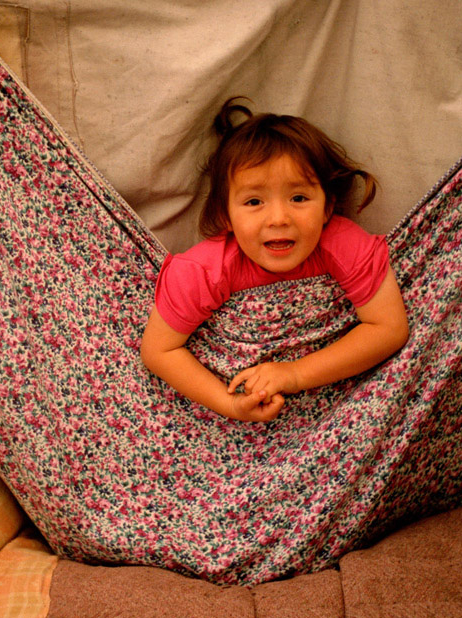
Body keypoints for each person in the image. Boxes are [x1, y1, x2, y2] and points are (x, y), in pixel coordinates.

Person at [141, 98, 409, 422]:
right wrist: (229, 406)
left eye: (298, 198)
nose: (279, 218)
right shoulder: (203, 271)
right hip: (231, 417)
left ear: (327, 208)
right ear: (226, 215)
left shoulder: (343, 245)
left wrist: (294, 374)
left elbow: (389, 328)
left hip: (335, 416)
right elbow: (159, 350)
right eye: (254, 201)